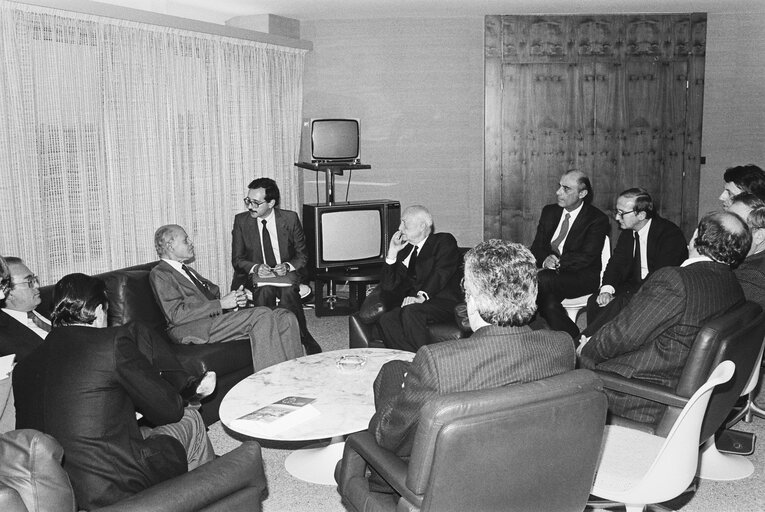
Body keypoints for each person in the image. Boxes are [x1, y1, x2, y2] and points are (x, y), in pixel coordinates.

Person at [13, 273, 215, 510]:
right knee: (189, 417)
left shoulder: (24, 368)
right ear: (99, 311)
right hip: (113, 484)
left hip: (58, 495)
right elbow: (170, 411)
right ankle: (208, 495)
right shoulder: (111, 342)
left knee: (147, 432)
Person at [369, 240, 575, 462]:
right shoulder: (562, 345)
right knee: (399, 367)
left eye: (465, 289)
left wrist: (399, 388)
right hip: (529, 464)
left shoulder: (437, 362)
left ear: (472, 299)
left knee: (391, 371)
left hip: (443, 482)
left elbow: (389, 436)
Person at [578, 211, 751, 424]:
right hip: (682, 385)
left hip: (640, 395)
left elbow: (622, 336)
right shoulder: (733, 285)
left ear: (696, 235)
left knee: (554, 365)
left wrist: (584, 351)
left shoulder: (676, 280)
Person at [0, 256, 214, 400]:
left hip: (88, 353)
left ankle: (184, 386)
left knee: (137, 329)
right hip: (68, 379)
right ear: (6, 290)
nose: (37, 286)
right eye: (29, 282)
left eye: (35, 279)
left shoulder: (48, 307)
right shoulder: (4, 333)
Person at [150, 224, 302, 373]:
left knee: (284, 315)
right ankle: (270, 385)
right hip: (191, 328)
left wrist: (232, 303)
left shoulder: (186, 270)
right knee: (261, 315)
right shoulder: (161, 273)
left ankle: (293, 377)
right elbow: (176, 315)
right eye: (186, 240)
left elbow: (209, 300)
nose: (191, 243)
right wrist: (221, 304)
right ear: (170, 246)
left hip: (212, 320)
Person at [231, 177, 321, 355]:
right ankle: (266, 342)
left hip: (287, 273)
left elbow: (302, 255)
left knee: (287, 291)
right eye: (248, 201)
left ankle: (301, 335)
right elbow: (238, 259)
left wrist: (287, 266)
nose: (250, 207)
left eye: (256, 202)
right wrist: (256, 268)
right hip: (255, 275)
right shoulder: (242, 221)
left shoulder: (289, 218)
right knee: (265, 291)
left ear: (271, 203)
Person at [582, 188, 687, 336]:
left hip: (659, 290)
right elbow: (616, 263)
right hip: (633, 284)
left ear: (641, 215)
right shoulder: (628, 232)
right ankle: (594, 343)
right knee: (596, 301)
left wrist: (623, 296)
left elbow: (660, 276)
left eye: (622, 213)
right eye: (616, 212)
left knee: (619, 302)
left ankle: (584, 343)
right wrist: (606, 289)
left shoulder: (669, 235)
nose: (617, 218)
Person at [530, 169, 610, 341]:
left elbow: (586, 256)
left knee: (537, 280)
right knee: (549, 303)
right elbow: (537, 246)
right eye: (559, 186)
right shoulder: (549, 212)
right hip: (549, 275)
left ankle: (522, 328)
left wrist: (556, 263)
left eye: (566, 189)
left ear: (582, 193)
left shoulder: (597, 219)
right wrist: (545, 259)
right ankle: (574, 337)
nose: (558, 192)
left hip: (581, 277)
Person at [376, 205, 463, 352]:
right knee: (386, 319)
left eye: (404, 222)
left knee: (411, 311)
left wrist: (421, 296)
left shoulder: (443, 241)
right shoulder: (405, 251)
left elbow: (441, 272)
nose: (400, 227)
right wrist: (392, 253)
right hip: (413, 306)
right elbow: (388, 286)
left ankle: (425, 364)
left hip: (442, 302)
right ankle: (413, 360)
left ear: (422, 226)